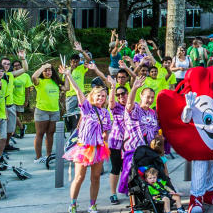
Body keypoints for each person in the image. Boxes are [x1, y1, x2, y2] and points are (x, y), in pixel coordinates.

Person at [61, 65, 112, 213]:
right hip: (84, 147)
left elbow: (107, 132)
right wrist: (68, 75)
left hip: (99, 148)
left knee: (95, 177)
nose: (101, 98)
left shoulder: (106, 113)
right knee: (79, 177)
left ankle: (93, 204)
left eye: (103, 96)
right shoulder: (87, 107)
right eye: (98, 95)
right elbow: (77, 90)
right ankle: (72, 204)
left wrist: (105, 138)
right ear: (92, 96)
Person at [119, 76, 160, 194]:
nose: (150, 100)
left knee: (150, 177)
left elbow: (155, 130)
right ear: (141, 96)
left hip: (149, 151)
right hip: (134, 150)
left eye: (152, 97)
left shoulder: (152, 113)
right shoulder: (136, 108)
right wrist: (135, 88)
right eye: (147, 97)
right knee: (133, 179)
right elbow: (129, 104)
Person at [31, 63, 63, 163]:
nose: (48, 72)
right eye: (46, 70)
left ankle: (48, 155)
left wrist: (67, 74)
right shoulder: (39, 81)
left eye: (50, 70)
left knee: (50, 134)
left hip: (54, 111)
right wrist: (42, 67)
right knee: (40, 134)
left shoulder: (55, 82)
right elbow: (33, 76)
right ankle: (38, 157)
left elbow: (67, 88)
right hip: (42, 111)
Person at [106, 75, 129, 205]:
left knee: (128, 167)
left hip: (129, 143)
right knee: (116, 167)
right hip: (116, 142)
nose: (121, 97)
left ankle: (127, 188)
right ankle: (113, 194)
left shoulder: (133, 106)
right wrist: (113, 86)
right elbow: (110, 103)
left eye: (123, 94)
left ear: (127, 94)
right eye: (118, 95)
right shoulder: (116, 107)